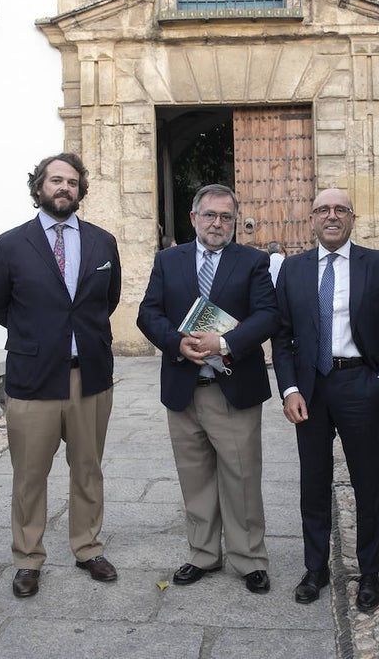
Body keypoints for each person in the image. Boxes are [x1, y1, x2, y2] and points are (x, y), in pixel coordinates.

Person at [0, 153, 122, 598]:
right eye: (55, 180)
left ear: (81, 190)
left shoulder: (103, 243)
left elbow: (108, 299)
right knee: (29, 473)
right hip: (34, 376)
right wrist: (40, 335)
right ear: (39, 187)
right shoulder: (9, 245)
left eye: (72, 181)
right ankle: (27, 558)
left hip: (90, 376)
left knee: (87, 469)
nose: (64, 187)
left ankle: (87, 548)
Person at [272, 189, 379, 612]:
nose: (331, 216)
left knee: (367, 483)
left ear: (352, 217)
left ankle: (370, 572)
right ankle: (316, 569)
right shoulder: (292, 270)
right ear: (311, 220)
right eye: (323, 210)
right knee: (313, 484)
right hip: (310, 389)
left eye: (340, 210)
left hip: (359, 386)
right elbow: (281, 337)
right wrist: (290, 389)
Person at [136, 184, 278, 594]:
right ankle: (202, 554)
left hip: (232, 387)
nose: (218, 223)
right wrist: (176, 342)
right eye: (210, 215)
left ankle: (249, 558)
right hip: (183, 387)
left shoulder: (253, 261)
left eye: (226, 217)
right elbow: (149, 312)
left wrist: (225, 342)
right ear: (194, 217)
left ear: (236, 221)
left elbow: (268, 315)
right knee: (194, 477)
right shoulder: (168, 260)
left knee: (242, 476)